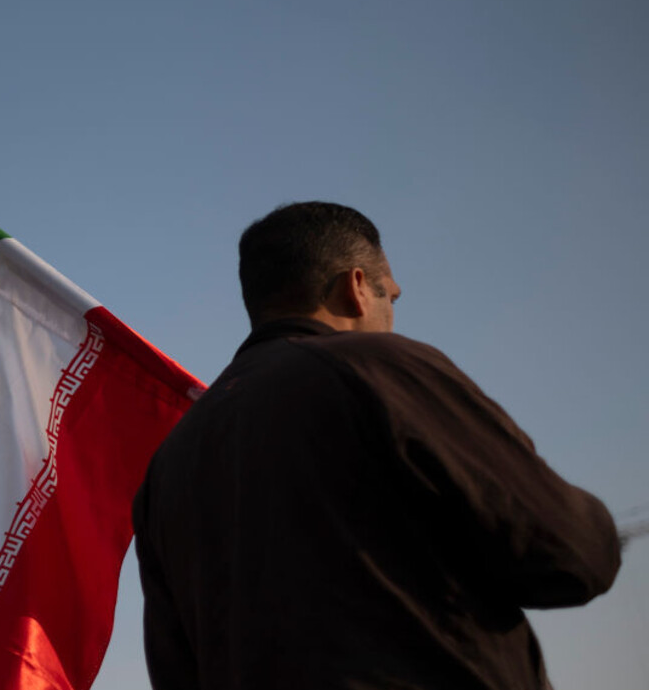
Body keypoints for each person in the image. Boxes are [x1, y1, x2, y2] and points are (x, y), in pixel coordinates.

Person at [131, 202, 622, 689]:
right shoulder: (376, 368)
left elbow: (176, 671)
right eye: (393, 296)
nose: (393, 313)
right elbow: (571, 552)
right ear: (357, 287)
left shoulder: (167, 465)